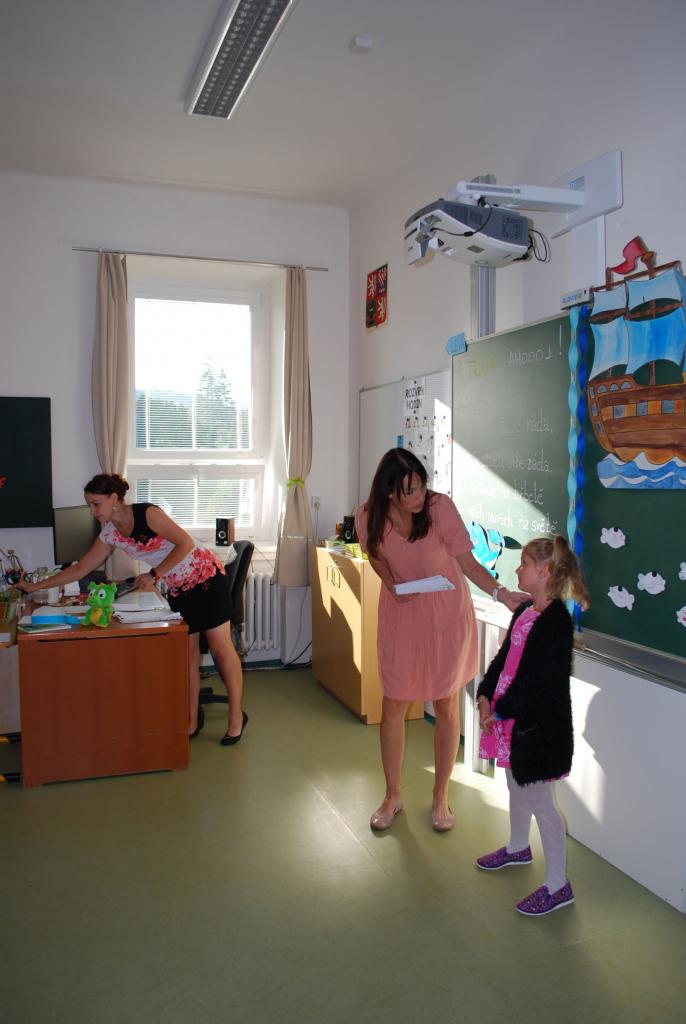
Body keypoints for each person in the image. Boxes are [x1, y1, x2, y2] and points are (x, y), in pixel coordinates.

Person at [355, 448, 526, 833]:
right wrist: (389, 581)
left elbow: (467, 563)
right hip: (401, 616)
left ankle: (440, 796)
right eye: (410, 491)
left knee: (446, 702)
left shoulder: (439, 509)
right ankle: (392, 795)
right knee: (394, 702)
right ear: (389, 493)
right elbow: (374, 555)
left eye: (421, 487)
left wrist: (501, 594)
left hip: (445, 617)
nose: (420, 496)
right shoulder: (368, 516)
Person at [19, 473, 247, 745]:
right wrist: (35, 587)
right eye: (90, 505)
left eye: (96, 504)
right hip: (178, 587)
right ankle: (190, 722)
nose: (92, 511)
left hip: (206, 577)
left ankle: (236, 718)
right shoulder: (110, 533)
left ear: (114, 498)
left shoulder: (147, 514)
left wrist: (153, 574)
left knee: (220, 649)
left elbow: (185, 543)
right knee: (187, 656)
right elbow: (80, 568)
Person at [475, 535, 589, 916]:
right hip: (512, 719)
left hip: (537, 729)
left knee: (541, 801)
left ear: (544, 571)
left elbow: (539, 684)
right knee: (515, 783)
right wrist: (486, 693)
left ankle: (558, 886)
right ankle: (518, 847)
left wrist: (501, 710)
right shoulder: (524, 610)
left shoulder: (557, 622)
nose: (518, 570)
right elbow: (504, 658)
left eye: (523, 564)